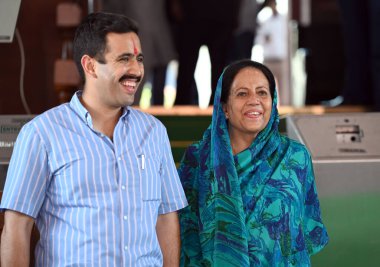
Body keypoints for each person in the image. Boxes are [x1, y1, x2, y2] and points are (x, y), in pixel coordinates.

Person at [0, 12, 187, 266]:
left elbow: (166, 218)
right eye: (124, 59)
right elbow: (17, 228)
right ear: (90, 66)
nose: (137, 70)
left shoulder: (154, 132)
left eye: (139, 59)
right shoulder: (42, 134)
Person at [178, 59, 328, 266]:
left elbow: (303, 235)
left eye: (262, 92)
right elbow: (184, 232)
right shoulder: (198, 158)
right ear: (225, 108)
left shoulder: (295, 157)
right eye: (242, 93)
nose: (254, 100)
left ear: (273, 101)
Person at [170, 0, 241, 106]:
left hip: (218, 15)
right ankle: (182, 104)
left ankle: (217, 105)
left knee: (217, 68)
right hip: (194, 14)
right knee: (187, 68)